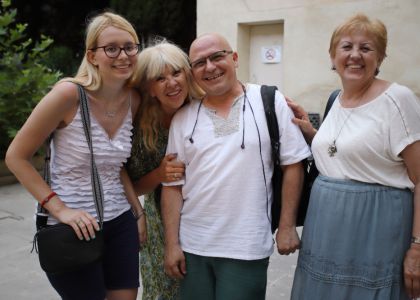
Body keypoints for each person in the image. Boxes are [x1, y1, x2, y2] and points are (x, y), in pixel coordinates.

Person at [5, 12, 146, 300]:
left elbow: (114, 166)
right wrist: (60, 210)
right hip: (71, 227)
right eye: (111, 48)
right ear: (92, 56)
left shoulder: (133, 99)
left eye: (130, 46)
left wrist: (138, 213)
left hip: (120, 221)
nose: (123, 55)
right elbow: (16, 157)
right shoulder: (68, 95)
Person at [160, 33, 311, 300]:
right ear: (192, 72)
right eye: (200, 62)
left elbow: (293, 163)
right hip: (193, 247)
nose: (210, 67)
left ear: (235, 58)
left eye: (217, 56)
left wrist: (287, 225)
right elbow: (172, 186)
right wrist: (172, 245)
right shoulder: (183, 118)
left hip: (246, 245)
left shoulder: (269, 100)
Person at [287, 13, 420, 300]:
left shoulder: (398, 99)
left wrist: (417, 247)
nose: (355, 55)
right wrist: (312, 134)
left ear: (380, 57)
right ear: (333, 55)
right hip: (325, 229)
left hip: (377, 228)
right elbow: (344, 153)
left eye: (366, 48)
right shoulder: (338, 98)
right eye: (346, 47)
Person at [126, 40, 204, 300]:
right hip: (161, 221)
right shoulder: (139, 125)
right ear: (149, 88)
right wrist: (159, 174)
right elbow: (133, 186)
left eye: (176, 73)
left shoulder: (205, 107)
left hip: (206, 216)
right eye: (160, 78)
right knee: (164, 290)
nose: (172, 83)